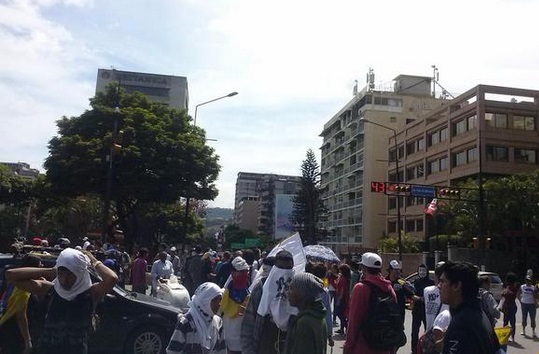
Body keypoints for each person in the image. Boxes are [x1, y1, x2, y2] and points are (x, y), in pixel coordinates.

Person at [5, 248, 118, 354]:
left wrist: (93, 261)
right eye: (61, 273)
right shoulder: (50, 289)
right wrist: (51, 271)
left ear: (80, 273)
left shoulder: (91, 293)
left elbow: (112, 279)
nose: (64, 279)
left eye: (70, 274)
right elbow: (10, 275)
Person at [437, 261, 499, 354]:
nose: (438, 286)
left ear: (456, 285)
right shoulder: (478, 312)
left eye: (442, 281)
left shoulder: (462, 325)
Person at [343, 252, 396, 354]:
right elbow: (394, 321)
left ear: (364, 268)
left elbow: (354, 321)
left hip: (363, 346)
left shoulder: (361, 288)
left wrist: (347, 346)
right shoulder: (389, 289)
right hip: (385, 347)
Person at [250, 250, 295, 354]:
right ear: (274, 269)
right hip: (265, 343)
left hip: (289, 343)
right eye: (281, 268)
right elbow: (250, 321)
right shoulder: (260, 288)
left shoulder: (298, 290)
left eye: (288, 268)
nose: (284, 273)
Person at [166, 282, 226, 354]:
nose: (219, 304)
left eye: (220, 300)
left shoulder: (218, 322)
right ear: (204, 301)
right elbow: (173, 351)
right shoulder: (187, 322)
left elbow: (222, 350)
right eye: (214, 300)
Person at [0, 254, 42, 354]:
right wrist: (28, 341)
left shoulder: (12, 283)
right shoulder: (23, 288)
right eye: (40, 266)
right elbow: (21, 316)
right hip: (16, 334)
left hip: (6, 331)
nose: (42, 268)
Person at [284, 272, 327, 354]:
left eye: (291, 288)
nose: (288, 292)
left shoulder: (304, 322)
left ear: (302, 293)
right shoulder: (319, 316)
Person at [240, 256, 275, 354]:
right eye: (264, 270)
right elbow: (248, 322)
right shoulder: (260, 288)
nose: (266, 275)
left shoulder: (290, 291)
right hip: (261, 344)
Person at [221, 257, 251, 354]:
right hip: (228, 330)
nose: (234, 274)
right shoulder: (229, 287)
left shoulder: (247, 288)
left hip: (240, 333)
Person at [306, 262, 334, 348]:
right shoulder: (324, 292)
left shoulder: (306, 287)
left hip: (306, 326)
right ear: (325, 275)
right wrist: (329, 335)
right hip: (320, 327)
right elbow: (328, 313)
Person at [411, 264, 434, 354]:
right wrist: (418, 298)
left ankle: (427, 349)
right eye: (420, 270)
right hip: (416, 310)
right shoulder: (415, 282)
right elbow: (411, 293)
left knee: (427, 330)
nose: (422, 273)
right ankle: (414, 350)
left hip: (427, 310)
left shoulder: (431, 282)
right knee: (414, 331)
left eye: (424, 271)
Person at [423, 262, 448, 332]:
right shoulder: (449, 291)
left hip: (429, 332)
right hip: (443, 332)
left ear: (435, 276)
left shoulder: (426, 290)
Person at [499, 272, 518, 342]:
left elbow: (512, 295)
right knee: (505, 322)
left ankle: (512, 337)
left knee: (512, 322)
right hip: (507, 306)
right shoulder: (507, 287)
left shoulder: (514, 288)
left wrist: (506, 292)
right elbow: (503, 296)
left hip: (512, 306)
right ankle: (505, 336)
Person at [335, 263, 350, 335]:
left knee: (339, 313)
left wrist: (339, 300)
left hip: (342, 298)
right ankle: (342, 329)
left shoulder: (343, 279)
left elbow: (342, 290)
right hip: (343, 298)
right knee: (342, 313)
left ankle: (347, 326)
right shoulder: (342, 277)